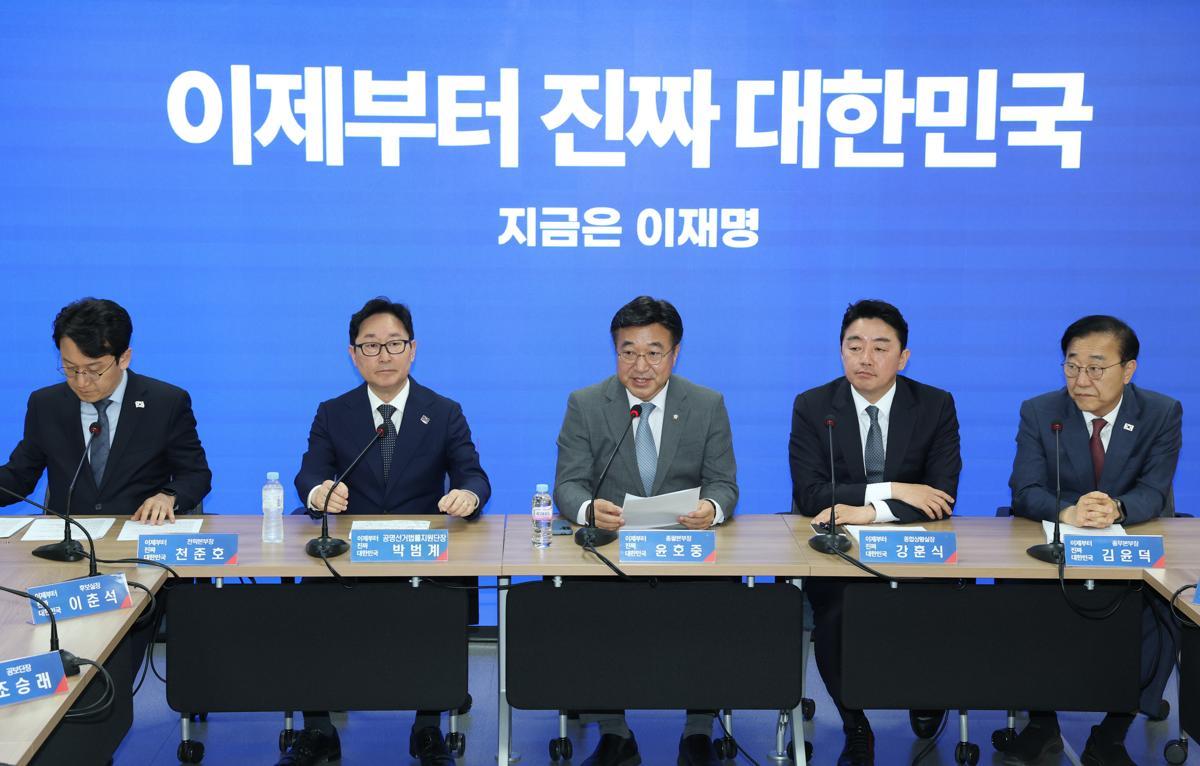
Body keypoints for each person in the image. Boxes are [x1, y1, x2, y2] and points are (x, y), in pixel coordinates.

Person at [286, 297, 491, 766]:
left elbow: (473, 475)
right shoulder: (333, 412)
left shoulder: (443, 411)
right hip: (349, 555)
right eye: (371, 345)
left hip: (419, 553)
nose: (384, 355)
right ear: (353, 354)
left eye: (395, 344)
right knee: (305, 602)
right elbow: (310, 472)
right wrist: (318, 492)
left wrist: (467, 496)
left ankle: (427, 728)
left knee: (441, 604)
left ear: (412, 350)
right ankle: (318, 731)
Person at [554, 295, 738, 766]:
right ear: (615, 351)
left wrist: (712, 508)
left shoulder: (706, 404)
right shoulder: (586, 404)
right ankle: (615, 733)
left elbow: (724, 483)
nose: (640, 366)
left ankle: (698, 731)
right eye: (628, 351)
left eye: (654, 353)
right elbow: (568, 485)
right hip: (613, 552)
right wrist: (588, 509)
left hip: (686, 550)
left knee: (718, 604)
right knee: (585, 605)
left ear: (675, 353)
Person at [789, 299, 961, 766]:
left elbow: (941, 497)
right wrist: (895, 489)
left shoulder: (935, 405)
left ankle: (926, 694)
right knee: (836, 613)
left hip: (914, 548)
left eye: (880, 348)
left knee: (937, 604)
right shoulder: (813, 407)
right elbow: (811, 494)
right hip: (838, 553)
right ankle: (855, 725)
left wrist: (868, 511)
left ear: (903, 357)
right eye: (854, 346)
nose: (865, 358)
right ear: (840, 350)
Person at [1006, 315, 1182, 766]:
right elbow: (1025, 489)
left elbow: (1154, 490)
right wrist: (1068, 511)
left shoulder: (1161, 412)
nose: (1081, 380)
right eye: (1072, 366)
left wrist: (1117, 509)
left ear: (1128, 369)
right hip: (1059, 542)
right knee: (1014, 594)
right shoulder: (1040, 411)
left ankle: (1113, 731)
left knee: (1165, 607)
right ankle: (1040, 724)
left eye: (1096, 368)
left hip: (1130, 538)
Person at [0, 297, 210, 523]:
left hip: (138, 532)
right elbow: (19, 476)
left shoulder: (165, 403)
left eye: (94, 370)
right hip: (68, 538)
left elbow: (195, 474)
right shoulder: (46, 404)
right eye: (70, 368)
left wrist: (168, 496)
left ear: (124, 358)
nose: (81, 382)